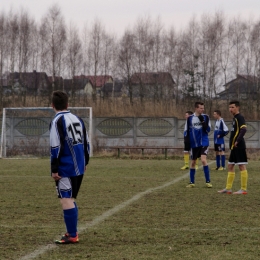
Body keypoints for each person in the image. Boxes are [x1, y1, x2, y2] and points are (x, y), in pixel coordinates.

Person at [49, 90, 90, 244]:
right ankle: (72, 232)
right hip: (79, 166)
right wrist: (86, 161)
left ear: (52, 105)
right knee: (70, 199)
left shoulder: (57, 121)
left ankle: (72, 235)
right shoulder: (78, 119)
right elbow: (86, 142)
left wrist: (54, 169)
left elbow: (55, 146)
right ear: (67, 104)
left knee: (66, 199)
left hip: (65, 167)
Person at [218, 101, 248, 195]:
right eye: (230, 107)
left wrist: (237, 141)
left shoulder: (240, 117)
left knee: (241, 166)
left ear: (237, 107)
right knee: (230, 166)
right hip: (233, 147)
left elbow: (243, 129)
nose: (230, 109)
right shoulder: (234, 118)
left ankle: (243, 189)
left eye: (232, 107)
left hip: (239, 146)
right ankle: (228, 188)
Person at [184, 101, 212, 188]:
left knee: (203, 160)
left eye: (203, 108)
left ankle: (208, 181)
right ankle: (192, 182)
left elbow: (208, 130)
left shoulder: (206, 117)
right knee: (193, 162)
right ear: (196, 108)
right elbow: (186, 131)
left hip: (204, 142)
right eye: (201, 108)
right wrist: (186, 143)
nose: (202, 110)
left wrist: (203, 122)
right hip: (194, 144)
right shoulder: (190, 118)